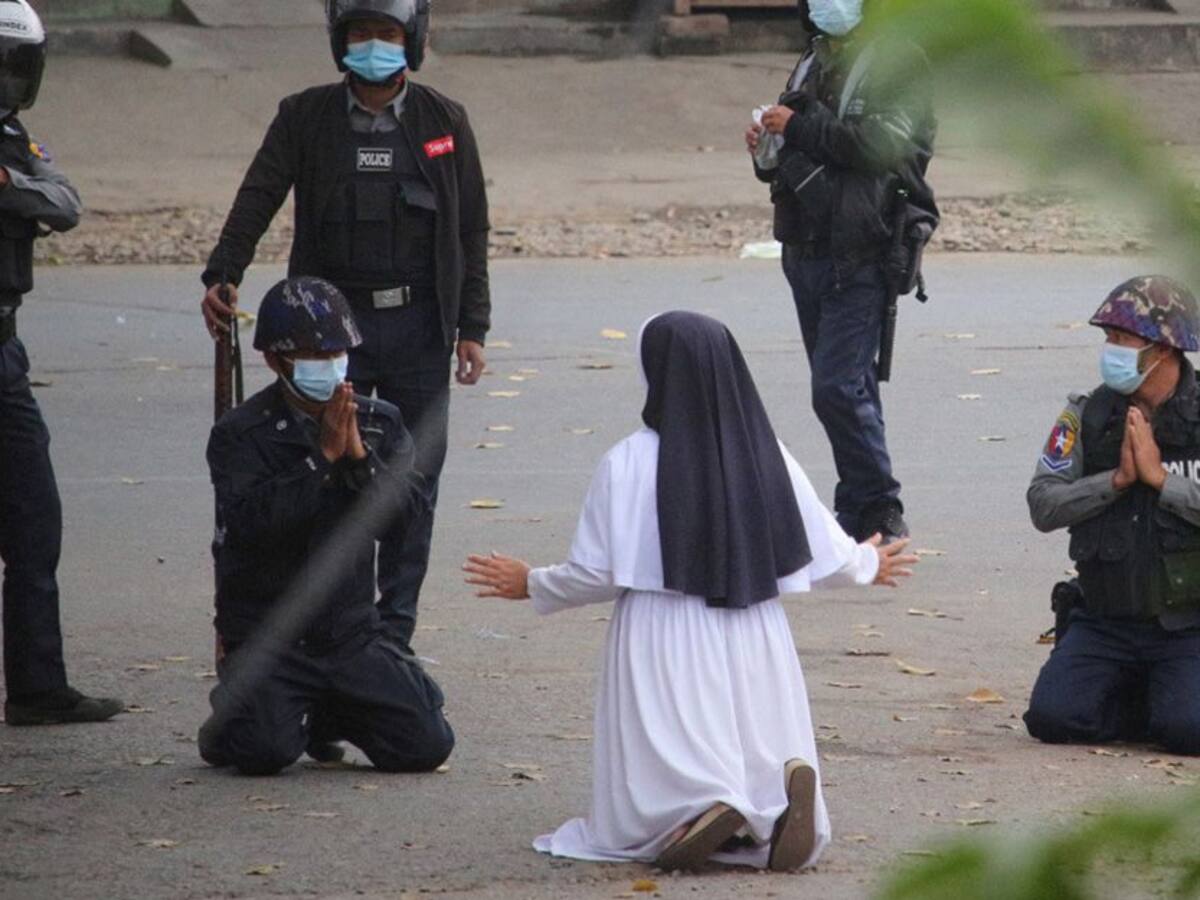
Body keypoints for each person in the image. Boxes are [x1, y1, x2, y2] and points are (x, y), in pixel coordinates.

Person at [464, 311, 916, 870]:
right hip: (754, 625)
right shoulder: (765, 452)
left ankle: (692, 812)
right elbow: (822, 546)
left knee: (671, 735)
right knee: (750, 724)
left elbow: (597, 573)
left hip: (659, 629)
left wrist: (531, 582)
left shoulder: (627, 460)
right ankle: (766, 810)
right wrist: (868, 562)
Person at [199, 0, 491, 652]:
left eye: (386, 34)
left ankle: (393, 637)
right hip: (330, 336)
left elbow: (471, 227)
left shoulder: (444, 121)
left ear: (411, 39)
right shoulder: (303, 117)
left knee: (412, 482)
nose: (373, 47)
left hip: (420, 331)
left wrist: (473, 324)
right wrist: (224, 271)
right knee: (328, 476)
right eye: (360, 35)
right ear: (339, 41)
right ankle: (329, 629)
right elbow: (259, 192)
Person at [198, 277, 454, 776]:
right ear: (275, 361)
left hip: (347, 633)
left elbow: (407, 523)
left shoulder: (379, 422)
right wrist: (322, 461)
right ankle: (233, 718)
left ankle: (330, 712)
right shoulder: (240, 434)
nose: (329, 365)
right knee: (262, 752)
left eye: (336, 351)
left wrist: (360, 459)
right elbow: (251, 526)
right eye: (313, 355)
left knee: (425, 745)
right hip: (272, 633)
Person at [746, 0, 938, 542]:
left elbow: (880, 147)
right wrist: (767, 144)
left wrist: (799, 128)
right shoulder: (814, 56)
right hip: (806, 247)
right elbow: (791, 150)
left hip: (865, 247)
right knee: (849, 385)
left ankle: (880, 506)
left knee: (834, 388)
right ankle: (860, 514)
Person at [0, 0, 122, 727]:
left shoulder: (13, 141)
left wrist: (10, 190)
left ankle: (39, 688)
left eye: (17, 65)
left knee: (34, 521)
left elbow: (67, 203)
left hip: (4, 351)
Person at [1024, 276, 1200, 756]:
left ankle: (1170, 701)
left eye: (1123, 340)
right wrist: (1116, 482)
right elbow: (1043, 503)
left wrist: (1163, 482)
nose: (1111, 351)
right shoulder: (1086, 416)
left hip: (1187, 624)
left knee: (1188, 732)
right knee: (1052, 718)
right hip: (1106, 620)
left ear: (1163, 350)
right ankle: (1146, 699)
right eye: (1108, 338)